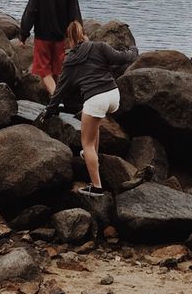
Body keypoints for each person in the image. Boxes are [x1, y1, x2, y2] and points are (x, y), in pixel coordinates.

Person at [44, 19, 137, 195]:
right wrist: (133, 50)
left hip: (95, 100)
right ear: (84, 35)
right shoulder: (99, 47)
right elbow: (123, 58)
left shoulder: (70, 60)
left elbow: (60, 90)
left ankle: (96, 187)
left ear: (68, 41)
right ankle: (93, 157)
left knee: (85, 143)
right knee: (95, 126)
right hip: (113, 95)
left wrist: (49, 110)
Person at [18, 0, 83, 95]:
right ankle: (54, 101)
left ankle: (56, 98)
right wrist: (79, 40)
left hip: (42, 37)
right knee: (55, 71)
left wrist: (23, 34)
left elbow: (30, 12)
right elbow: (75, 18)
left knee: (44, 71)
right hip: (60, 39)